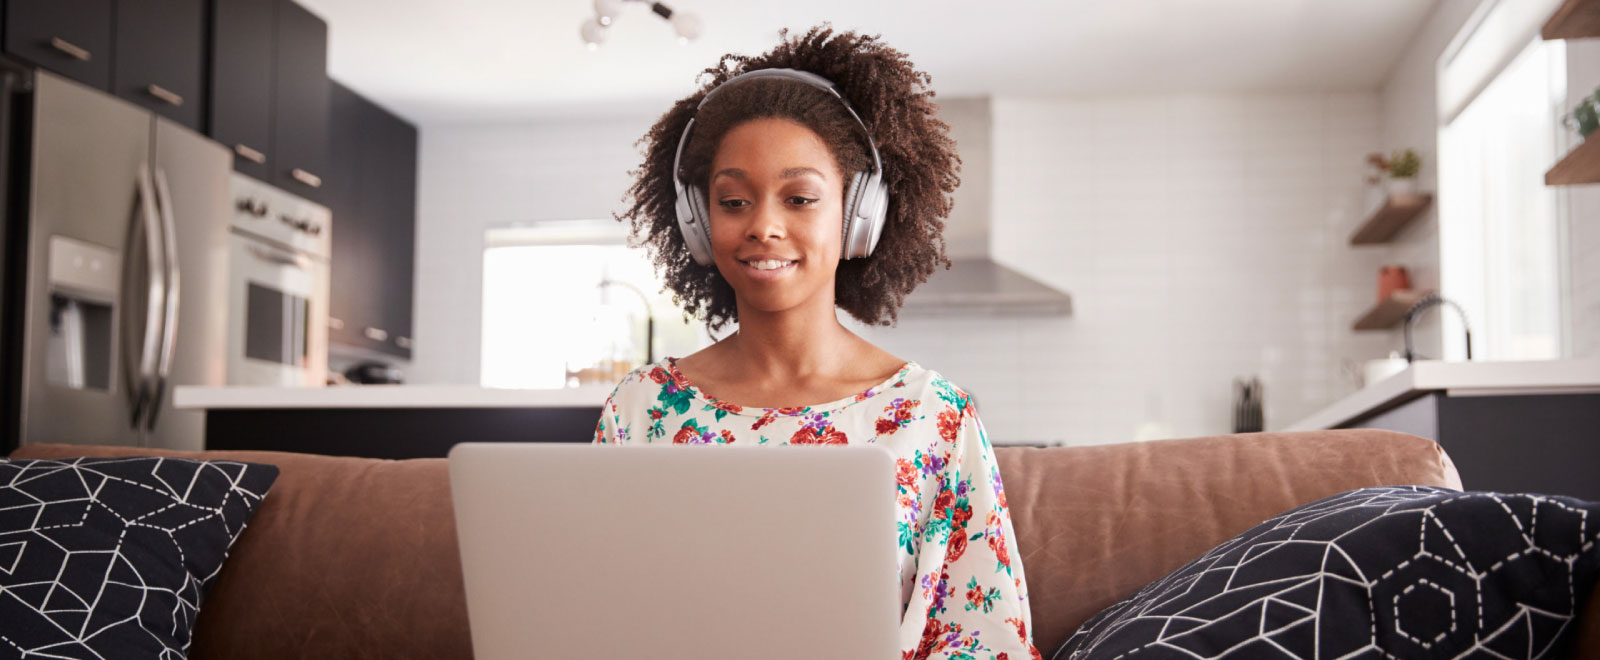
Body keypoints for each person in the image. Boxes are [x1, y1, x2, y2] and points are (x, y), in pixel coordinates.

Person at [593, 25, 1040, 660]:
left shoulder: (933, 417)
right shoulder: (639, 410)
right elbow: (598, 611)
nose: (764, 225)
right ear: (698, 222)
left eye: (800, 198)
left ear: (860, 217)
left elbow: (983, 636)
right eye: (733, 201)